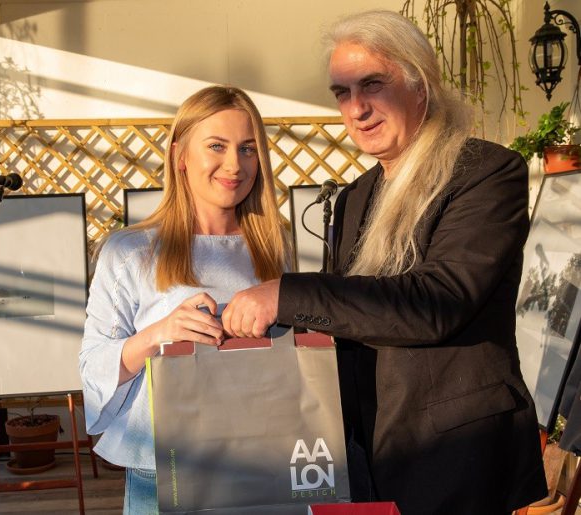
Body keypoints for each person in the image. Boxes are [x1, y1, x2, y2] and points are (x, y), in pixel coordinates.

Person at [221, 10, 547, 515]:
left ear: (420, 85)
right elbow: (349, 316)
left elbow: (437, 302)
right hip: (370, 458)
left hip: (457, 461)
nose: (356, 108)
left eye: (372, 84)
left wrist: (285, 292)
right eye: (342, 92)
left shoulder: (485, 172)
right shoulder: (356, 196)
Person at [79, 85, 290, 514]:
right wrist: (157, 335)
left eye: (248, 149)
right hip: (166, 468)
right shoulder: (129, 250)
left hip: (261, 459)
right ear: (180, 156)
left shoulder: (275, 247)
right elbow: (93, 367)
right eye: (217, 146)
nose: (235, 164)